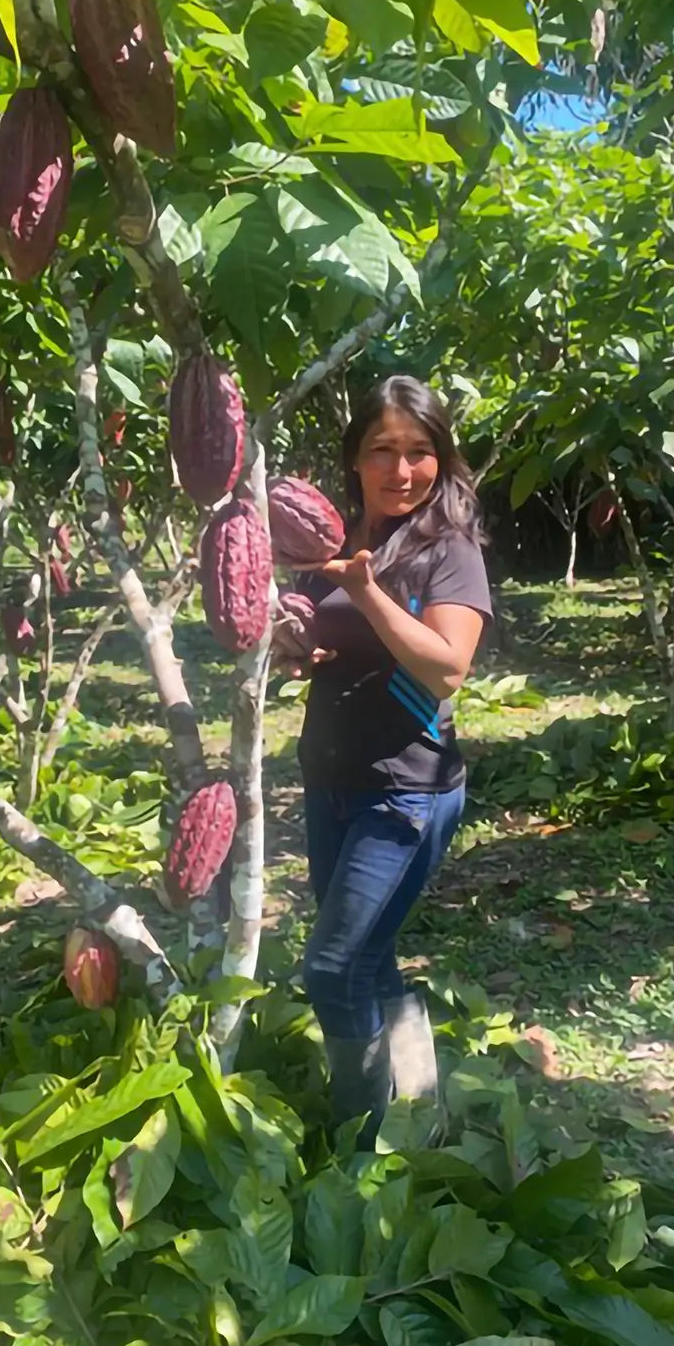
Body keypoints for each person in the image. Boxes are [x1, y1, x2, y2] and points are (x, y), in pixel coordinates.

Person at [276, 374, 492, 1147]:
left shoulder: (449, 550)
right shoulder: (327, 542)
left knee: (333, 971)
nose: (402, 471)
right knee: (369, 955)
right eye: (382, 451)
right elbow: (326, 637)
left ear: (442, 457)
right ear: (354, 459)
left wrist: (367, 593)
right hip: (331, 779)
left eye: (419, 452)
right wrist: (298, 648)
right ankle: (419, 1100)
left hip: (407, 792)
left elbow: (446, 668)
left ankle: (357, 1147)